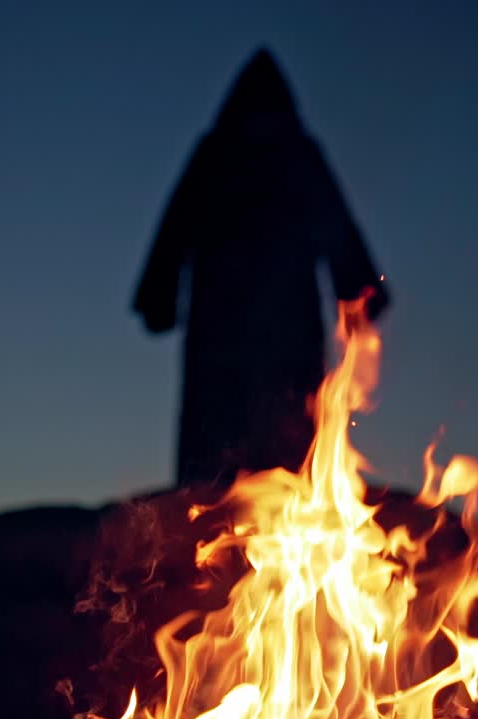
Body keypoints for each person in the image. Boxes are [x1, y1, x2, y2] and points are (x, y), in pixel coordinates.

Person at [133, 47, 389, 489]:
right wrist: (360, 289)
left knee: (283, 428)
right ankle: (213, 534)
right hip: (231, 325)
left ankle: (280, 534)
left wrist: (159, 297)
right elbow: (178, 225)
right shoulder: (232, 155)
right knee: (225, 436)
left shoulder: (262, 155)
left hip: (273, 325)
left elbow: (335, 224)